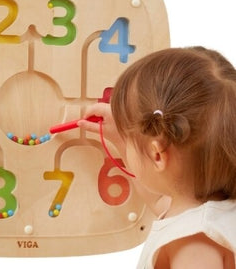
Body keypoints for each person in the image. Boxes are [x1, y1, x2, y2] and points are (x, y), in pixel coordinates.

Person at [79, 46, 236, 269]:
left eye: (128, 138)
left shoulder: (194, 243)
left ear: (157, 154)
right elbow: (157, 201)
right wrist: (123, 142)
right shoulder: (203, 209)